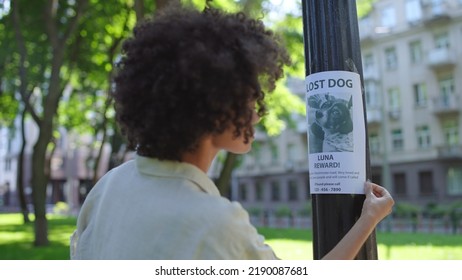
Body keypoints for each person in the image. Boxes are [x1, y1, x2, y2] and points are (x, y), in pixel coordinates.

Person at [70, 4, 394, 260]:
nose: (258, 113)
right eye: (250, 97)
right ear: (216, 105)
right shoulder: (216, 222)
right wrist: (368, 219)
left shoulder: (108, 186)